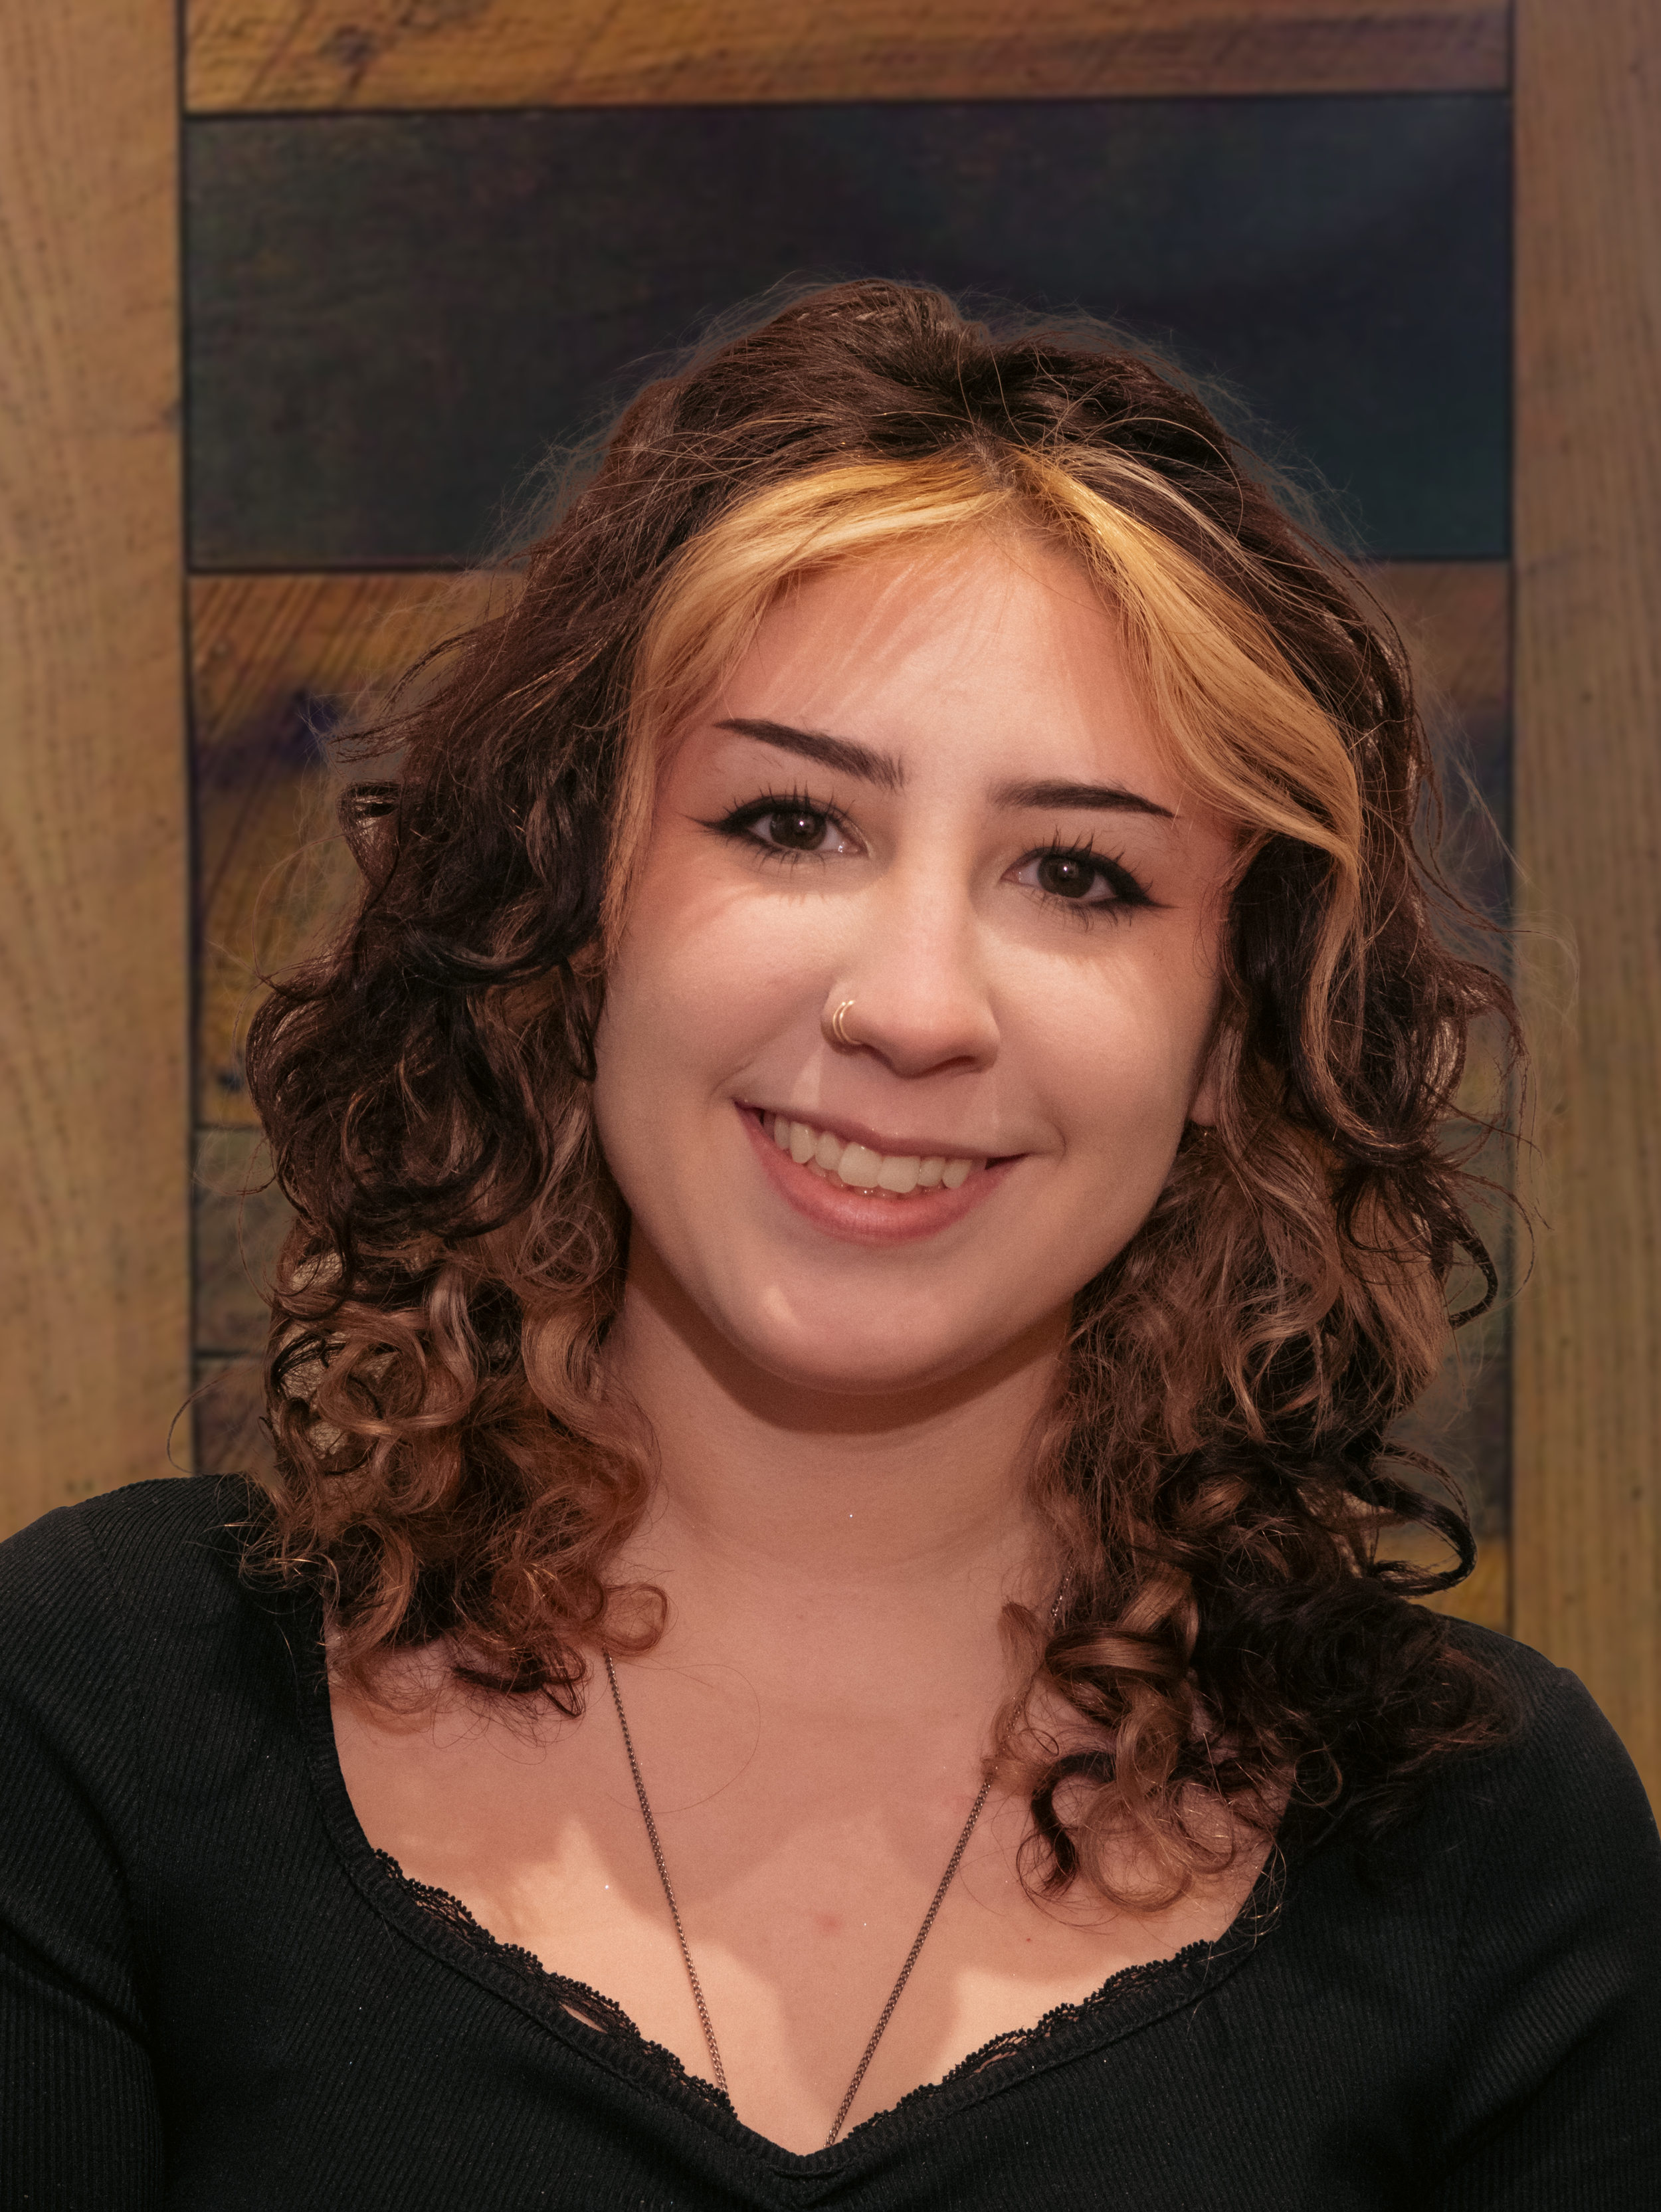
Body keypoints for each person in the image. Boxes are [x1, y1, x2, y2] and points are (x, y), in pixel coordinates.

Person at [3, 281, 1658, 2209]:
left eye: (1078, 874)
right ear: (579, 900)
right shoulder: (100, 1722)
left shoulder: (1483, 1846)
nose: (913, 1004)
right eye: (789, 822)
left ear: (1226, 1032)